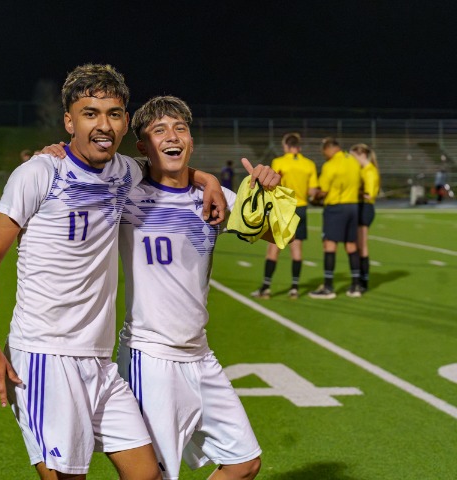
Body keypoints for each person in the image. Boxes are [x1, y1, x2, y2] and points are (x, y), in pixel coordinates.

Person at [0, 64, 226, 480]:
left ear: (125, 122)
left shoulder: (124, 171)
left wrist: (208, 178)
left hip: (99, 359)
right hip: (45, 355)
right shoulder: (40, 173)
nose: (103, 125)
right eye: (90, 114)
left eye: (113, 114)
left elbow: (166, 169)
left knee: (146, 474)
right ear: (69, 121)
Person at [117, 96, 281, 479]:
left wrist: (266, 193)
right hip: (149, 355)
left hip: (200, 354)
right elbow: (88, 165)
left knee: (244, 463)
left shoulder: (214, 198)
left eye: (180, 128)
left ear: (191, 141)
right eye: (159, 130)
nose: (172, 136)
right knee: (152, 474)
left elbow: (274, 233)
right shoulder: (127, 195)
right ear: (142, 146)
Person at [251, 132, 319, 299]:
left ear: (287, 146)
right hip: (301, 208)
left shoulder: (278, 162)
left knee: (273, 249)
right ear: (299, 146)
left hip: (283, 208)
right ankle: (294, 288)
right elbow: (312, 192)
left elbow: (271, 185)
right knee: (297, 249)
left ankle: (266, 288)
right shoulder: (309, 164)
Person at [308, 137, 363, 299]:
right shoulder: (353, 161)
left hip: (336, 208)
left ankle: (328, 287)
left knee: (329, 245)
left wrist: (314, 197)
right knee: (351, 245)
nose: (324, 155)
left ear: (329, 149)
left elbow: (323, 191)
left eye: (324, 152)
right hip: (353, 206)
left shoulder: (330, 165)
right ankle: (356, 285)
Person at [350, 143, 380, 292]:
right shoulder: (363, 169)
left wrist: (353, 190)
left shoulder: (369, 170)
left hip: (365, 207)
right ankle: (359, 280)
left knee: (362, 246)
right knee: (357, 246)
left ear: (362, 155)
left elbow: (369, 194)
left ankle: (364, 282)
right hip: (360, 207)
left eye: (354, 157)